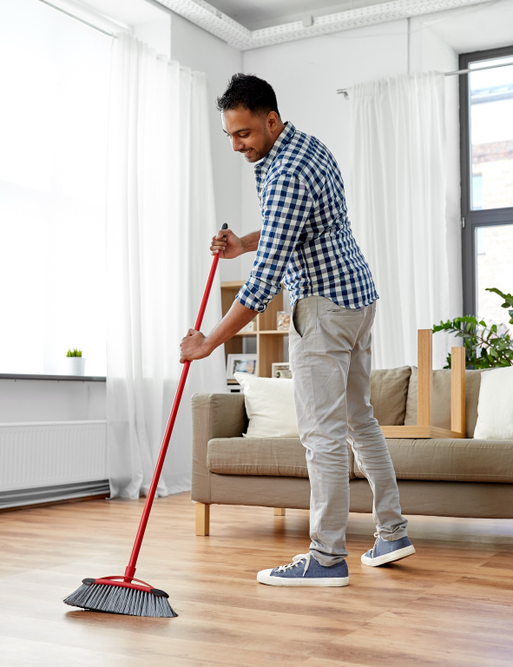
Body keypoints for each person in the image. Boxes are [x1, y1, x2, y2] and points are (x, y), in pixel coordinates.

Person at [179, 74, 414, 587]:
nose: (238, 145)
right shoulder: (308, 147)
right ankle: (392, 531)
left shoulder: (283, 172)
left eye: (244, 134)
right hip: (357, 300)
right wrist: (242, 242)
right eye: (230, 136)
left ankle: (326, 557)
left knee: (321, 435)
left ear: (269, 119)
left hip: (323, 308)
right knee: (359, 420)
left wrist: (208, 343)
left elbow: (264, 285)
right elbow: (295, 226)